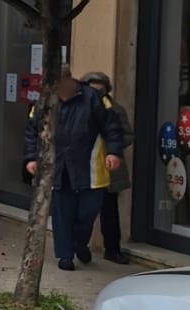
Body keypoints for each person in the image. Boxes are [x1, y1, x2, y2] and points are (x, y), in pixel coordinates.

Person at [24, 66, 124, 271]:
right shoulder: (45, 100)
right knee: (62, 212)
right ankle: (65, 255)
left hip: (90, 167)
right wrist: (31, 158)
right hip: (59, 166)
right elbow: (32, 131)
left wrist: (114, 152)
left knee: (88, 211)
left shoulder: (93, 98)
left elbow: (112, 127)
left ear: (67, 80)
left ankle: (79, 242)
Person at [81, 72, 134, 264]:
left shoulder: (115, 109)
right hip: (83, 167)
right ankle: (79, 246)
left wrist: (111, 146)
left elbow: (127, 135)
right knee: (83, 211)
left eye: (100, 90)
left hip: (109, 167)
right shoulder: (77, 107)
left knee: (109, 211)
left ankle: (113, 249)